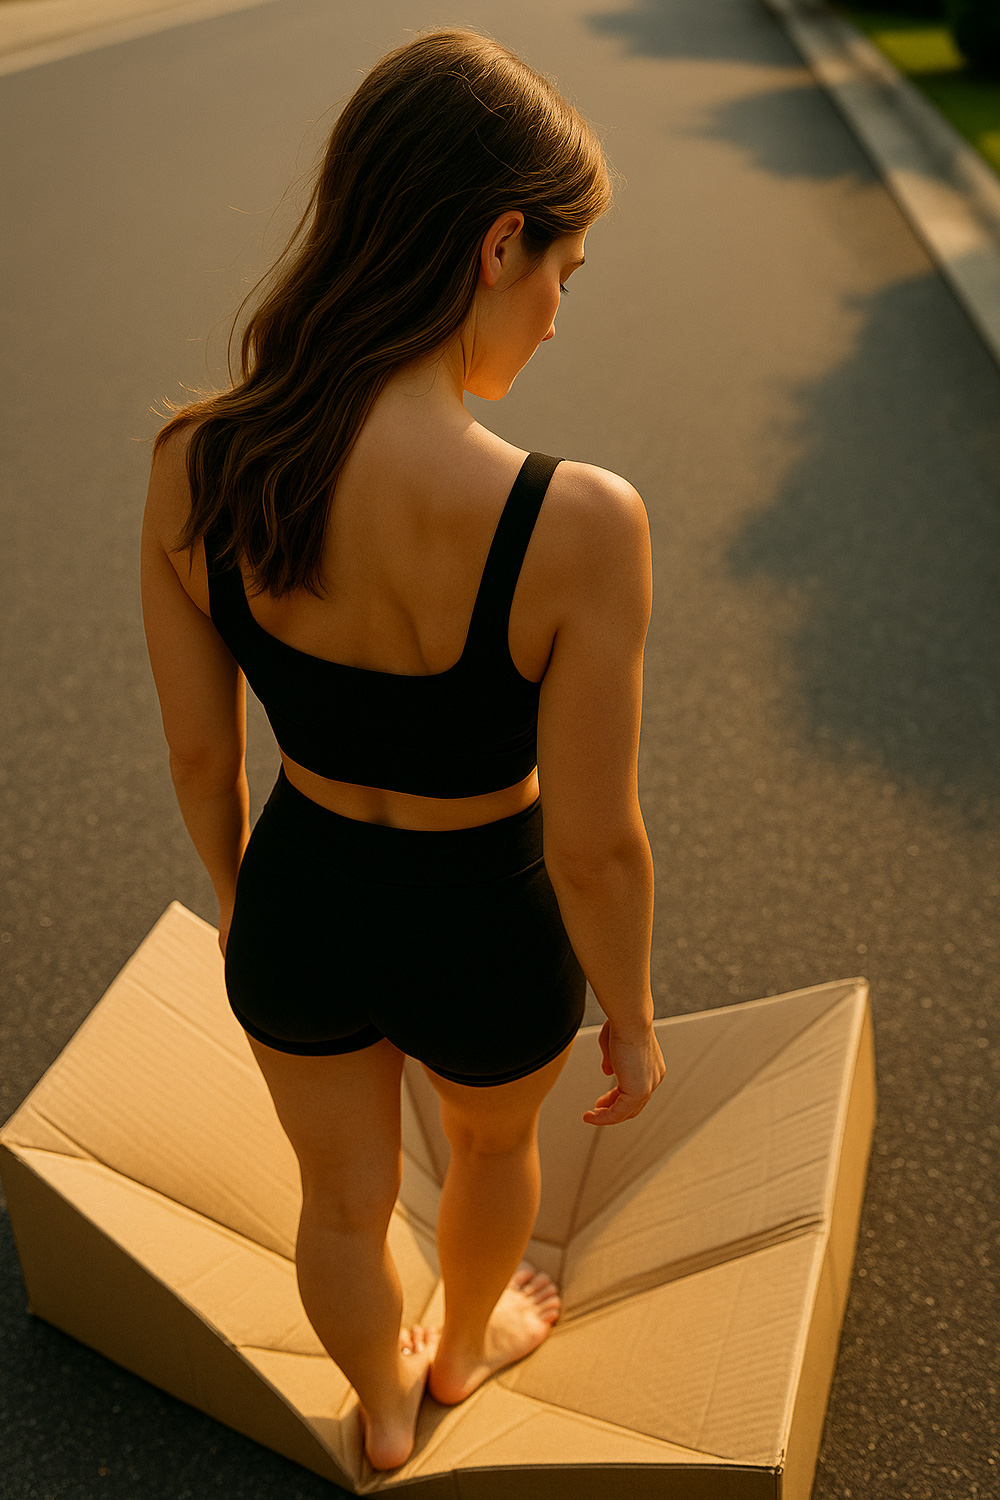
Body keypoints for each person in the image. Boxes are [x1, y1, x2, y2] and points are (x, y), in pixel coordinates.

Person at [140, 26, 665, 1473]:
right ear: (501, 243)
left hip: (306, 885)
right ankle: (469, 1345)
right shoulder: (579, 524)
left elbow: (200, 757)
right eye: (564, 271)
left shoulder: (197, 460)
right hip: (487, 913)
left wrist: (254, 904)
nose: (557, 314)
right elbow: (595, 843)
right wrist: (628, 1011)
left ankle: (376, 1405)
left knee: (339, 1203)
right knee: (495, 1155)